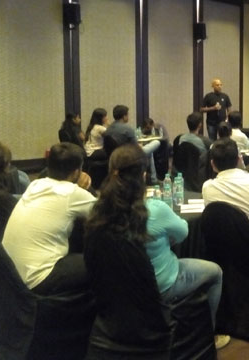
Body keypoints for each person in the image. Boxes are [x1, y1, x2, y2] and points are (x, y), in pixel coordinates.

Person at [84, 144, 229, 349]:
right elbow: (183, 233)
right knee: (216, 272)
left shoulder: (96, 211)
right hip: (161, 286)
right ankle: (209, 337)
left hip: (115, 288)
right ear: (143, 175)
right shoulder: (155, 209)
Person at [2, 142, 96, 294]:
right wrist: (88, 188)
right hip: (37, 280)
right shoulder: (71, 193)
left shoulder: (35, 185)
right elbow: (107, 212)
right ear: (76, 172)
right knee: (101, 260)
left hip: (10, 277)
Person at [105, 105, 160, 183]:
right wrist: (140, 146)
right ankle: (153, 179)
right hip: (130, 156)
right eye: (127, 115)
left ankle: (153, 178)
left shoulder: (108, 129)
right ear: (124, 116)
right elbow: (136, 148)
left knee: (150, 153)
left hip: (114, 157)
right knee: (157, 142)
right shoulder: (127, 129)